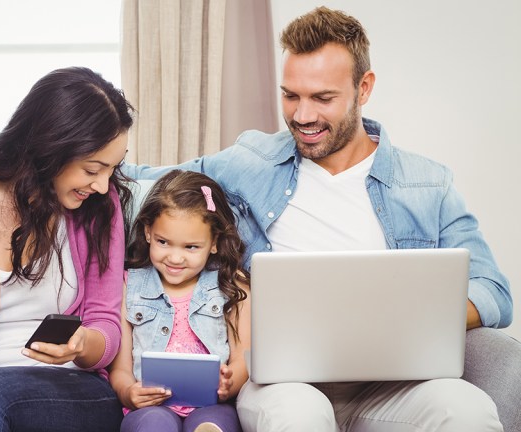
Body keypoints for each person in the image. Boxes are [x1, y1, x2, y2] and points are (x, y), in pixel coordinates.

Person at [121, 6, 511, 432]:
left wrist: (402, 314)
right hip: (284, 383)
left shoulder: (427, 184)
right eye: (291, 95)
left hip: (394, 384)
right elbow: (149, 180)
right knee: (299, 414)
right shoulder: (251, 161)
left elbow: (492, 291)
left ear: (364, 88)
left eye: (323, 98)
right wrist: (68, 168)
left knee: (467, 410)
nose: (302, 116)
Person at [0, 66, 134, 432]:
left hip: (71, 390)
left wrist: (81, 344)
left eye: (112, 169)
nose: (103, 185)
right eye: (92, 169)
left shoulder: (98, 211)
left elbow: (106, 323)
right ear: (51, 147)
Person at [110, 170, 251, 432]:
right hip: (150, 407)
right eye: (164, 242)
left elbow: (244, 358)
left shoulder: (232, 284)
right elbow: (120, 369)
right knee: (154, 425)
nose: (175, 258)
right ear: (148, 232)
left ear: (214, 243)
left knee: (212, 426)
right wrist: (128, 392)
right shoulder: (129, 285)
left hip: (213, 405)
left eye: (191, 247)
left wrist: (230, 383)